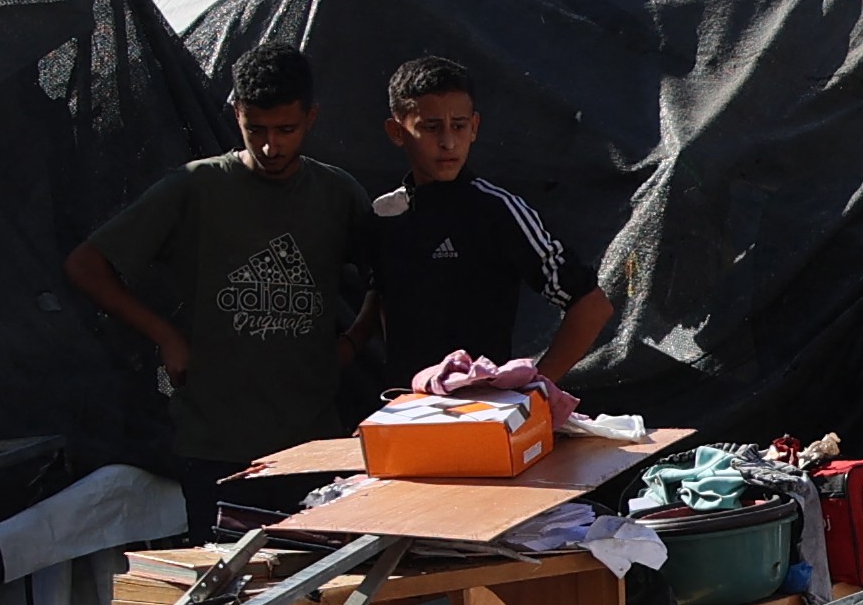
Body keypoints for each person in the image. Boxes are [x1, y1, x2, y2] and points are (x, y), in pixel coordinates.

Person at [64, 42, 374, 477]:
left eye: (285, 130)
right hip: (215, 444)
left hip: (312, 443)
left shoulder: (338, 193)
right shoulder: (195, 187)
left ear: (311, 118)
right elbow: (86, 265)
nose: (270, 147)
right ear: (237, 116)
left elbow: (389, 274)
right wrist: (164, 335)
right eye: (256, 130)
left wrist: (355, 338)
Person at [360, 52, 614, 386]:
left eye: (459, 126)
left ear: (475, 127)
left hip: (483, 413)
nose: (448, 142)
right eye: (431, 127)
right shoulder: (383, 213)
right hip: (405, 414)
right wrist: (348, 345)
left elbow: (592, 305)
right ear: (396, 131)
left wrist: (535, 388)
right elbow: (382, 301)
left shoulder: (499, 210)